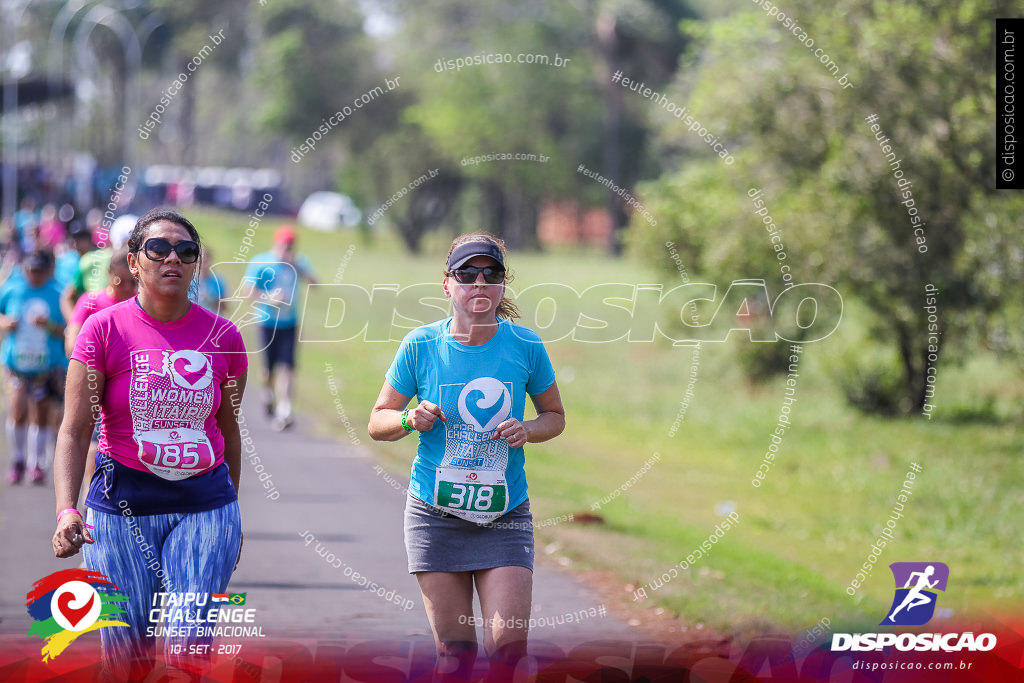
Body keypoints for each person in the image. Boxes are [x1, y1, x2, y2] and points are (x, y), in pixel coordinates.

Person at [51, 208, 247, 678]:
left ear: (197, 264)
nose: (172, 258)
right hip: (119, 509)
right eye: (158, 249)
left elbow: (230, 431)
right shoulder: (103, 330)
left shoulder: (225, 337)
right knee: (125, 660)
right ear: (134, 263)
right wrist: (67, 509)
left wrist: (232, 515)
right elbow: (75, 430)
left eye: (186, 250)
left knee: (188, 648)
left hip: (204, 505)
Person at [368, 233, 565, 679]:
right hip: (435, 514)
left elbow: (554, 415)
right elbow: (378, 420)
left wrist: (528, 429)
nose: (479, 283)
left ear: (503, 284)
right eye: (467, 274)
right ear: (446, 283)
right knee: (455, 658)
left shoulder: (525, 346)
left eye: (491, 274)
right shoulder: (420, 345)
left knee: (508, 653)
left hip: (505, 513)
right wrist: (409, 419)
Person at [1, 251, 66, 485]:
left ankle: (36, 463)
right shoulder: (11, 289)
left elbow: (68, 331)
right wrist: (5, 322)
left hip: (47, 365)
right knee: (18, 410)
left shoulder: (58, 293)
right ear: (25, 268)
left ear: (47, 271)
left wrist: (47, 325)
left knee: (41, 413)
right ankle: (18, 460)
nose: (34, 275)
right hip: (17, 363)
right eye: (31, 270)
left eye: (39, 270)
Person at [244, 225, 317, 430]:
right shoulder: (261, 262)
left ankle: (285, 409)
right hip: (267, 322)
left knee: (288, 367)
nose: (288, 249)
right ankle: (267, 394)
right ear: (277, 244)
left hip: (290, 322)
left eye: (291, 245)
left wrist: (299, 267)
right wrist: (269, 299)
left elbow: (315, 283)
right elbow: (247, 292)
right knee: (268, 370)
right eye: (285, 245)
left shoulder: (298, 262)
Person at [190, 247, 229, 313]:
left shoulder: (217, 281)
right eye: (200, 261)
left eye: (205, 261)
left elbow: (224, 308)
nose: (203, 264)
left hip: (211, 319)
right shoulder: (189, 280)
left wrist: (212, 300)